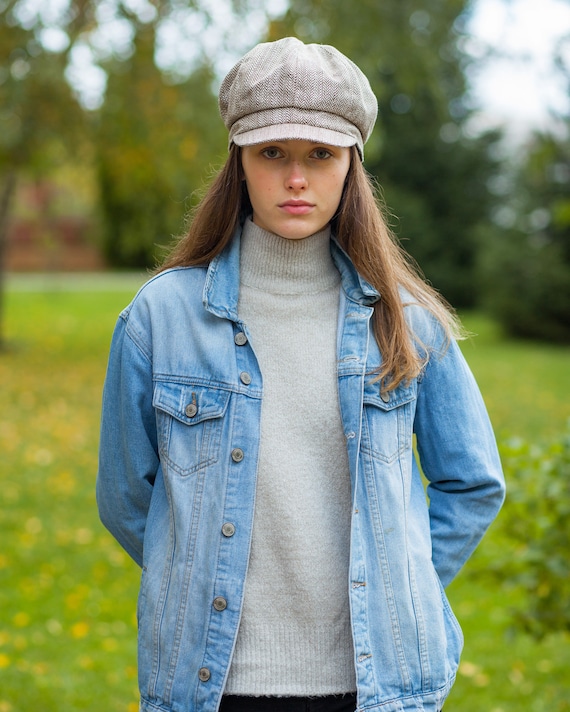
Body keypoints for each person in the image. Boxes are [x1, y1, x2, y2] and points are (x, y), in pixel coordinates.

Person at [96, 37, 505, 712]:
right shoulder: (159, 317)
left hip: (374, 686)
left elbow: (472, 481)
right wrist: (194, 571)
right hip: (212, 683)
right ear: (240, 164)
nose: (296, 179)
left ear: (351, 166)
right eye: (272, 154)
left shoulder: (408, 323)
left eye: (320, 155)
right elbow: (124, 494)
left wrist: (398, 579)